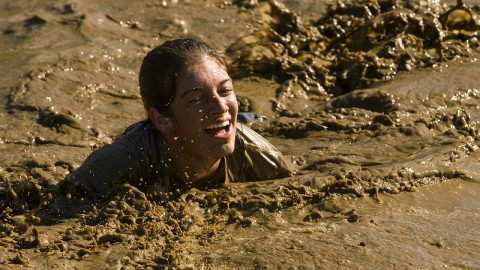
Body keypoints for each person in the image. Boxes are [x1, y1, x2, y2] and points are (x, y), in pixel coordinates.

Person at [58, 38, 293, 198]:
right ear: (161, 119)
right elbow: (53, 206)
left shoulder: (261, 159)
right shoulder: (118, 165)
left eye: (225, 91)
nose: (220, 105)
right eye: (196, 99)